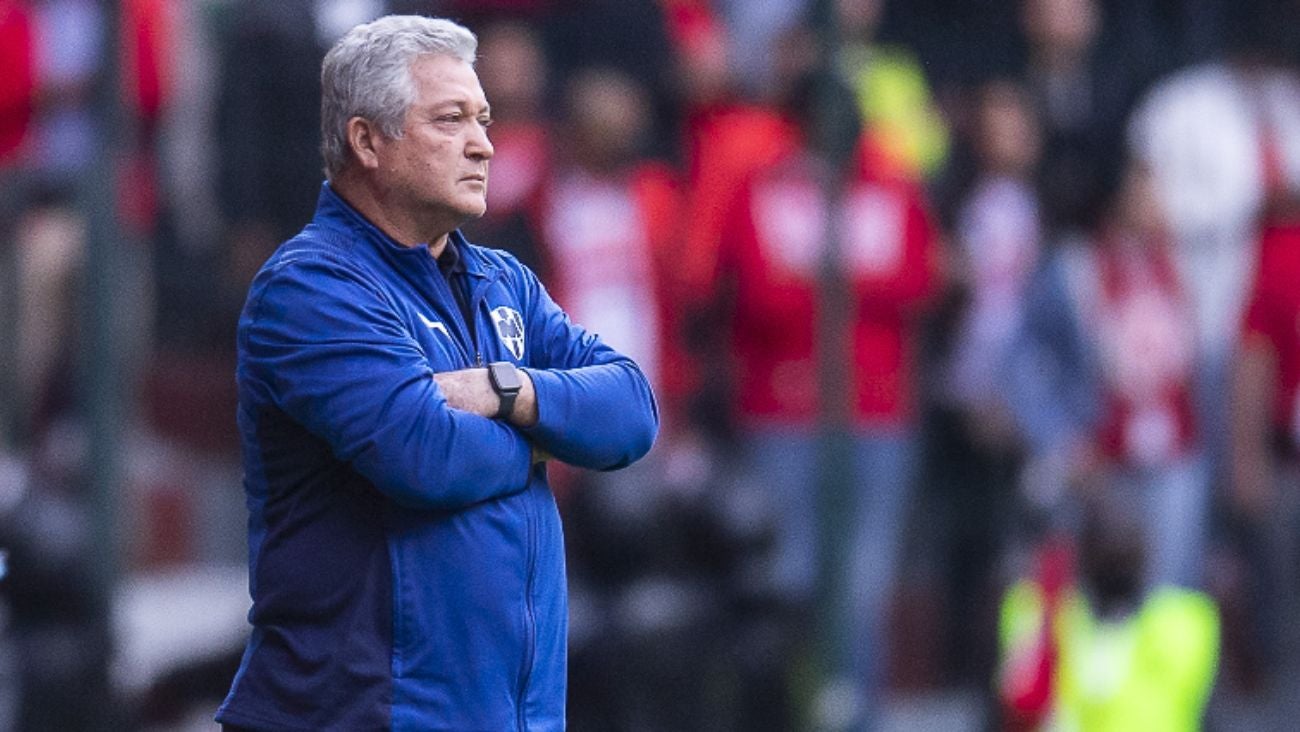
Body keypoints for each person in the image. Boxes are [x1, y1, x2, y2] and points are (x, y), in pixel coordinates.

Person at [214, 15, 659, 731]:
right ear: (367, 142)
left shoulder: (503, 280)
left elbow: (633, 412)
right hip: (362, 717)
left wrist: (508, 391)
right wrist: (550, 436)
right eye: (450, 120)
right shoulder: (311, 287)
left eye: (483, 120)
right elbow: (425, 456)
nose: (483, 143)